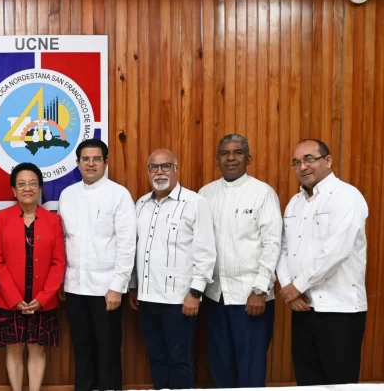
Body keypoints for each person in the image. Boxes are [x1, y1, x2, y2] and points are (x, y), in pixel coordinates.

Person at [277, 139, 368, 386]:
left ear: (327, 161)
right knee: (308, 381)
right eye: (296, 162)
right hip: (303, 309)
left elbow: (336, 251)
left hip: (340, 310)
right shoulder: (295, 203)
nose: (302, 166)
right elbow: (283, 249)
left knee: (340, 383)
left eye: (309, 159)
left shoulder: (347, 196)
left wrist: (298, 285)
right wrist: (290, 290)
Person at [197, 134, 282, 388]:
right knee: (220, 364)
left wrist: (259, 290)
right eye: (225, 153)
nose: (231, 157)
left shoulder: (262, 193)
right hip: (215, 297)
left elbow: (272, 243)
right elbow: (199, 245)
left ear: (248, 158)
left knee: (250, 367)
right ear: (217, 159)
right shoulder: (206, 194)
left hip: (250, 298)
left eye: (237, 152)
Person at [128, 149, 216, 390]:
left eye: (166, 166)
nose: (159, 172)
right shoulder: (141, 204)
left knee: (180, 361)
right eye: (154, 167)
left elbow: (206, 252)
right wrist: (134, 286)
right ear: (147, 172)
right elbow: (137, 250)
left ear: (176, 169)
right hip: (147, 299)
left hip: (180, 301)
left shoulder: (195, 203)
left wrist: (195, 293)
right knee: (157, 358)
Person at [57, 138, 136, 391]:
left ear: (106, 162)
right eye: (85, 159)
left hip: (106, 290)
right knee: (82, 351)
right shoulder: (67, 195)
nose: (91, 164)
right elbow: (64, 241)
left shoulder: (119, 194)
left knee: (108, 352)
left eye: (96, 159)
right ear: (78, 163)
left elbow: (127, 245)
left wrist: (117, 287)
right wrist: (62, 281)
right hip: (74, 288)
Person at [0, 162, 66, 391]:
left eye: (33, 183)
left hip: (43, 299)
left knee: (37, 348)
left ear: (40, 187)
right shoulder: (1, 218)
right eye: (21, 184)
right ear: (13, 190)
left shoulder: (52, 220)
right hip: (8, 299)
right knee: (13, 347)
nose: (27, 188)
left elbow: (58, 262)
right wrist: (14, 297)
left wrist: (43, 297)